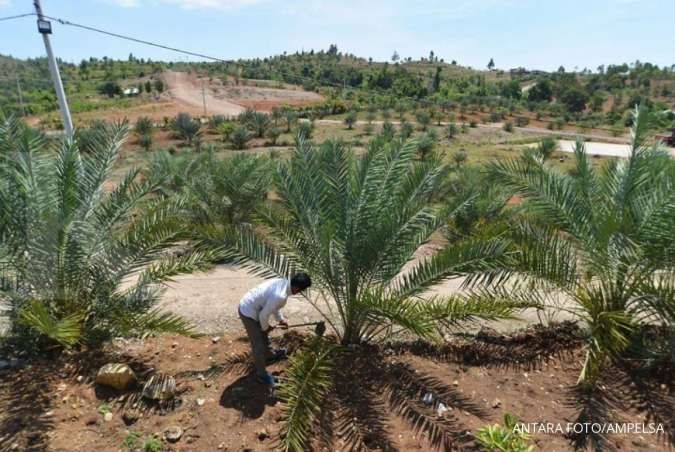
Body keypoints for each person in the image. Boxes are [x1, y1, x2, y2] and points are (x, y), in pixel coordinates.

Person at [238, 273, 312, 385]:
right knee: (258, 345)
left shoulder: (282, 283)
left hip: (254, 306)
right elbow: (264, 315)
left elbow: (273, 306)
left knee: (263, 333)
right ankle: (262, 375)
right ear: (297, 288)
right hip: (248, 312)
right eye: (302, 290)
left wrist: (280, 320)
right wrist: (266, 328)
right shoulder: (280, 295)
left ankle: (269, 355)